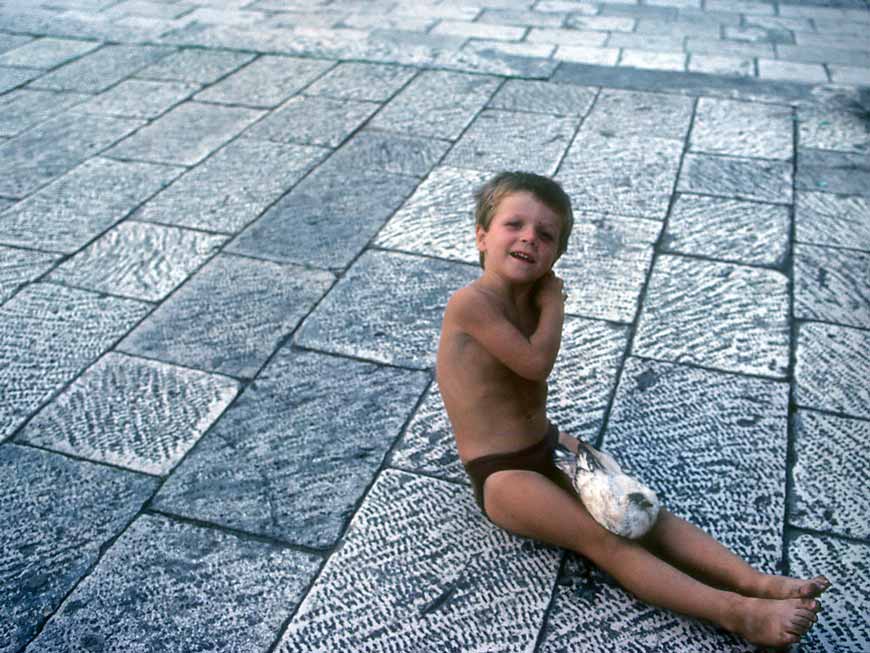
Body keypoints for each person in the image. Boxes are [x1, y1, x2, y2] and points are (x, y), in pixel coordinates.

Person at [435, 171, 829, 648]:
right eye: (513, 225)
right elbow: (536, 364)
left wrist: (545, 302)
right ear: (481, 235)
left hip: (547, 442)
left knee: (642, 512)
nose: (528, 239)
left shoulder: (530, 300)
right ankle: (739, 614)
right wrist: (556, 302)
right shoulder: (470, 303)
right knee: (607, 541)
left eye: (546, 235)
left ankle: (757, 583)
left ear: (557, 253)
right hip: (501, 476)